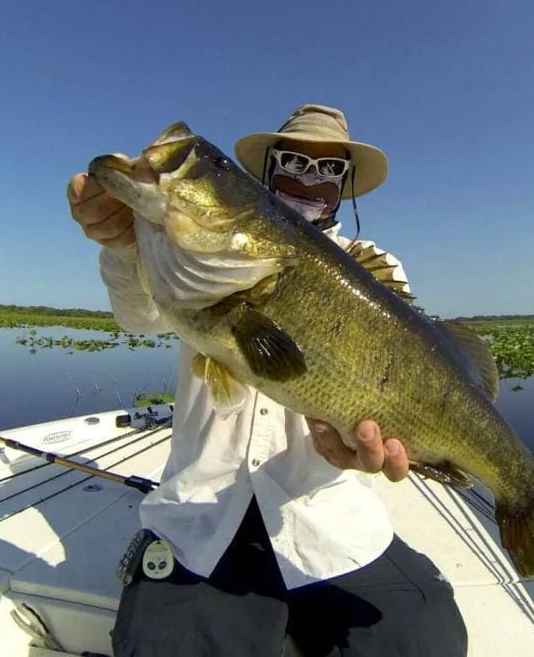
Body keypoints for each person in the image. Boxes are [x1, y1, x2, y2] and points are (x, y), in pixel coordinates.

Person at [67, 104, 467, 656]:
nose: (309, 176)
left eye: (330, 170)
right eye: (294, 160)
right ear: (266, 169)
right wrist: (122, 244)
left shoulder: (374, 268)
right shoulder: (181, 251)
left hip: (325, 518)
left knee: (425, 642)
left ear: (345, 187)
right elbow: (138, 313)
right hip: (203, 516)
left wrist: (380, 444)